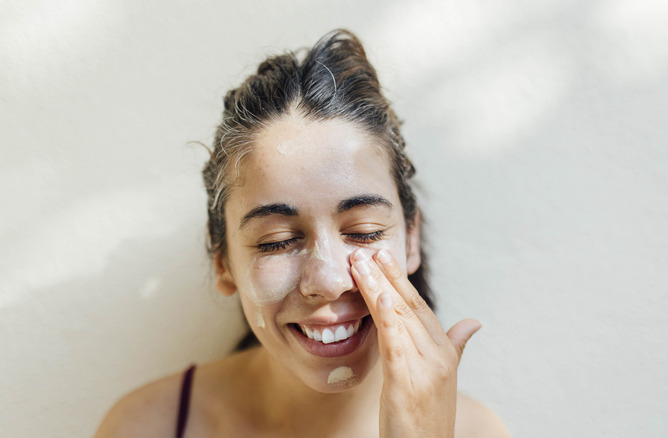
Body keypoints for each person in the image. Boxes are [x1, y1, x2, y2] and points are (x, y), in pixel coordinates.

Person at [95, 29, 509, 437]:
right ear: (222, 262)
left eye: (364, 232)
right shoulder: (147, 425)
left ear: (411, 238)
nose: (328, 281)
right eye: (276, 241)